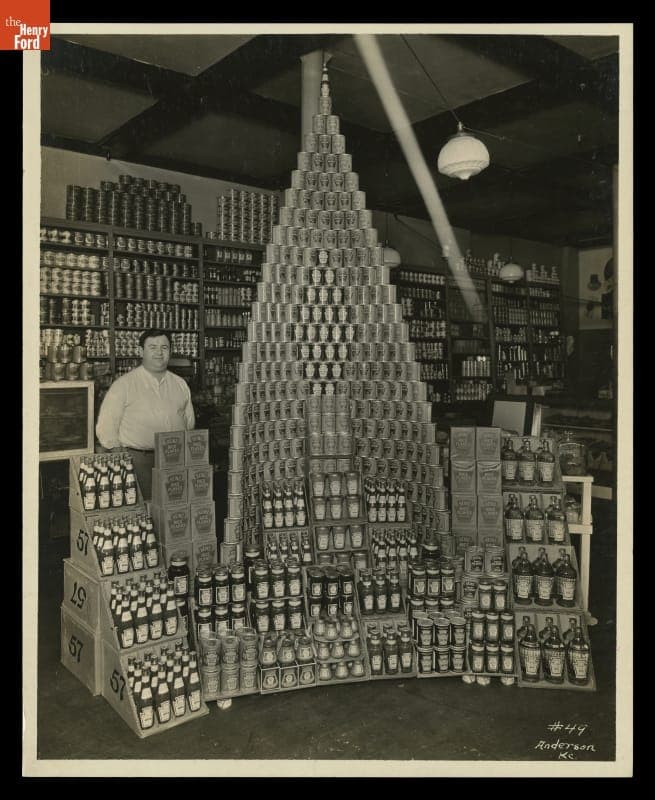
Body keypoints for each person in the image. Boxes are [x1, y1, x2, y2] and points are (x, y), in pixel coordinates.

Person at [96, 329, 195, 500]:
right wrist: (122, 461)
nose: (159, 353)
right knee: (144, 514)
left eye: (164, 347)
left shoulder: (180, 384)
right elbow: (106, 428)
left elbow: (189, 422)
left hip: (174, 460)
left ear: (170, 351)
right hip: (138, 461)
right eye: (152, 347)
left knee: (174, 512)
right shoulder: (124, 385)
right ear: (141, 351)